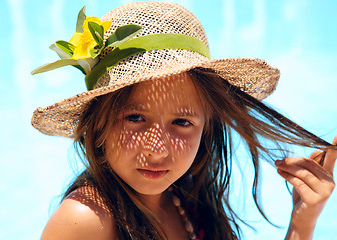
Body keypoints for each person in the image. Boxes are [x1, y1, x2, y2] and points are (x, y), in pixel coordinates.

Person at [31, 2, 337, 239]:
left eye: (181, 122)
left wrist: (304, 219)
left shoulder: (184, 198)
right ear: (98, 124)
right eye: (135, 118)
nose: (158, 150)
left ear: (206, 128)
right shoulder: (87, 219)